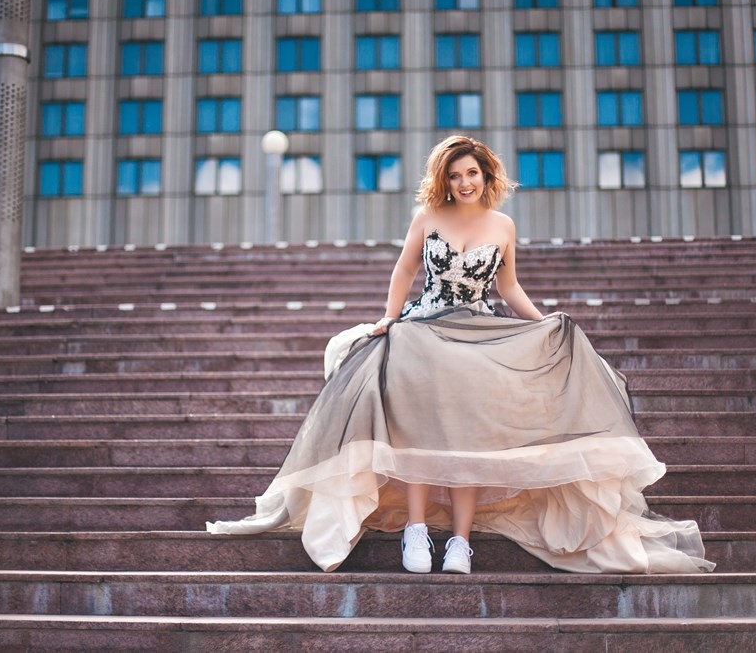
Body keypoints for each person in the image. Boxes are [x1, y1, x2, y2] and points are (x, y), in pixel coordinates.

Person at [207, 135, 715, 576]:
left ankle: (460, 541)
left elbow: (508, 286)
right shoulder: (428, 216)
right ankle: (415, 530)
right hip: (425, 328)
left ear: (486, 175)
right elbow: (404, 270)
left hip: (478, 333)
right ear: (444, 180)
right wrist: (389, 317)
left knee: (470, 435)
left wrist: (543, 323)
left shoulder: (503, 226)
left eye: (471, 173)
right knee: (417, 426)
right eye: (455, 175)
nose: (464, 182)